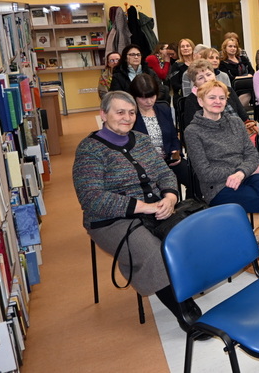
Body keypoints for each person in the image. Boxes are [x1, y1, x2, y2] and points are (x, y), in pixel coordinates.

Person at [73, 91, 201, 334]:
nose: (127, 117)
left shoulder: (141, 140)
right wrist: (143, 207)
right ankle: (186, 312)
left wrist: (170, 197)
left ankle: (186, 285)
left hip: (156, 208)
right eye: (120, 112)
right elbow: (91, 198)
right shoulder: (89, 150)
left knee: (191, 236)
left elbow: (164, 173)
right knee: (153, 253)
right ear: (103, 114)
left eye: (131, 112)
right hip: (112, 220)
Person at [183, 80, 259, 251]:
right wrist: (242, 171)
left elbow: (252, 154)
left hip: (245, 175)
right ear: (200, 101)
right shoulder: (193, 131)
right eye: (212, 98)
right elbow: (205, 172)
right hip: (219, 186)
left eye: (222, 98)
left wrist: (242, 173)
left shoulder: (235, 122)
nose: (218, 101)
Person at [128, 73, 192, 194]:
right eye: (143, 98)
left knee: (194, 179)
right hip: (145, 164)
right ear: (134, 97)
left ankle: (189, 204)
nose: (149, 101)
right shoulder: (130, 115)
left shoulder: (163, 109)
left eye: (152, 96)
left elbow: (173, 136)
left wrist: (176, 153)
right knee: (163, 189)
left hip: (168, 159)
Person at [181, 60, 249, 128]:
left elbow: (244, 117)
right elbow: (192, 128)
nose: (206, 79)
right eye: (200, 78)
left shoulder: (228, 90)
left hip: (238, 129)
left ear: (215, 75)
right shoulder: (191, 100)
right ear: (195, 83)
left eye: (208, 75)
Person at [218, 36, 254, 108]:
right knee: (247, 93)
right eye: (230, 46)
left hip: (249, 85)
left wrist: (246, 76)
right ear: (225, 48)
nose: (233, 48)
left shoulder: (243, 59)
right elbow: (229, 77)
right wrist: (244, 77)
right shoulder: (222, 63)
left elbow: (251, 71)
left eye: (235, 47)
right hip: (235, 88)